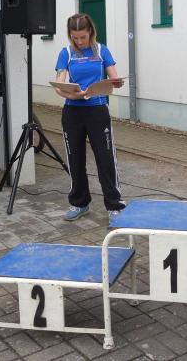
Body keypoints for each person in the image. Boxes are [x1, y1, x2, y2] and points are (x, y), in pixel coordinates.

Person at [53, 13, 125, 223]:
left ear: (91, 32)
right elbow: (59, 85)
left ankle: (114, 205)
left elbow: (114, 77)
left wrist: (116, 82)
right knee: (75, 160)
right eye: (75, 37)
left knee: (105, 158)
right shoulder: (66, 53)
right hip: (72, 112)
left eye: (83, 37)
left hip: (97, 111)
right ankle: (79, 203)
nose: (79, 42)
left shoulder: (102, 50)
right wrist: (71, 95)